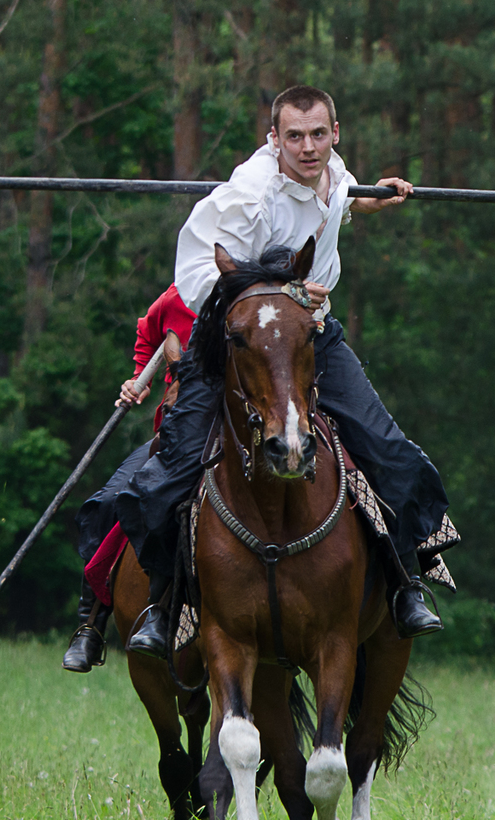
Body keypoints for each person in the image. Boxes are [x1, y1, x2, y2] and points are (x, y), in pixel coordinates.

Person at [117, 84, 453, 657]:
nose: (307, 147)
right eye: (293, 136)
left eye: (318, 134)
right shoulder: (248, 196)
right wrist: (283, 291)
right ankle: (164, 603)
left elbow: (334, 200)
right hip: (238, 345)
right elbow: (196, 272)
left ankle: (405, 584)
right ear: (274, 139)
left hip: (314, 338)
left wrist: (366, 200)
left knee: (389, 449)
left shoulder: (334, 171)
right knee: (169, 469)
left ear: (335, 134)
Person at [62, 283, 196, 672]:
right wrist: (140, 376)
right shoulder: (179, 293)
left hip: (235, 426)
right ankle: (91, 623)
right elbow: (147, 329)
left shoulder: (257, 293)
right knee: (110, 502)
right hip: (174, 430)